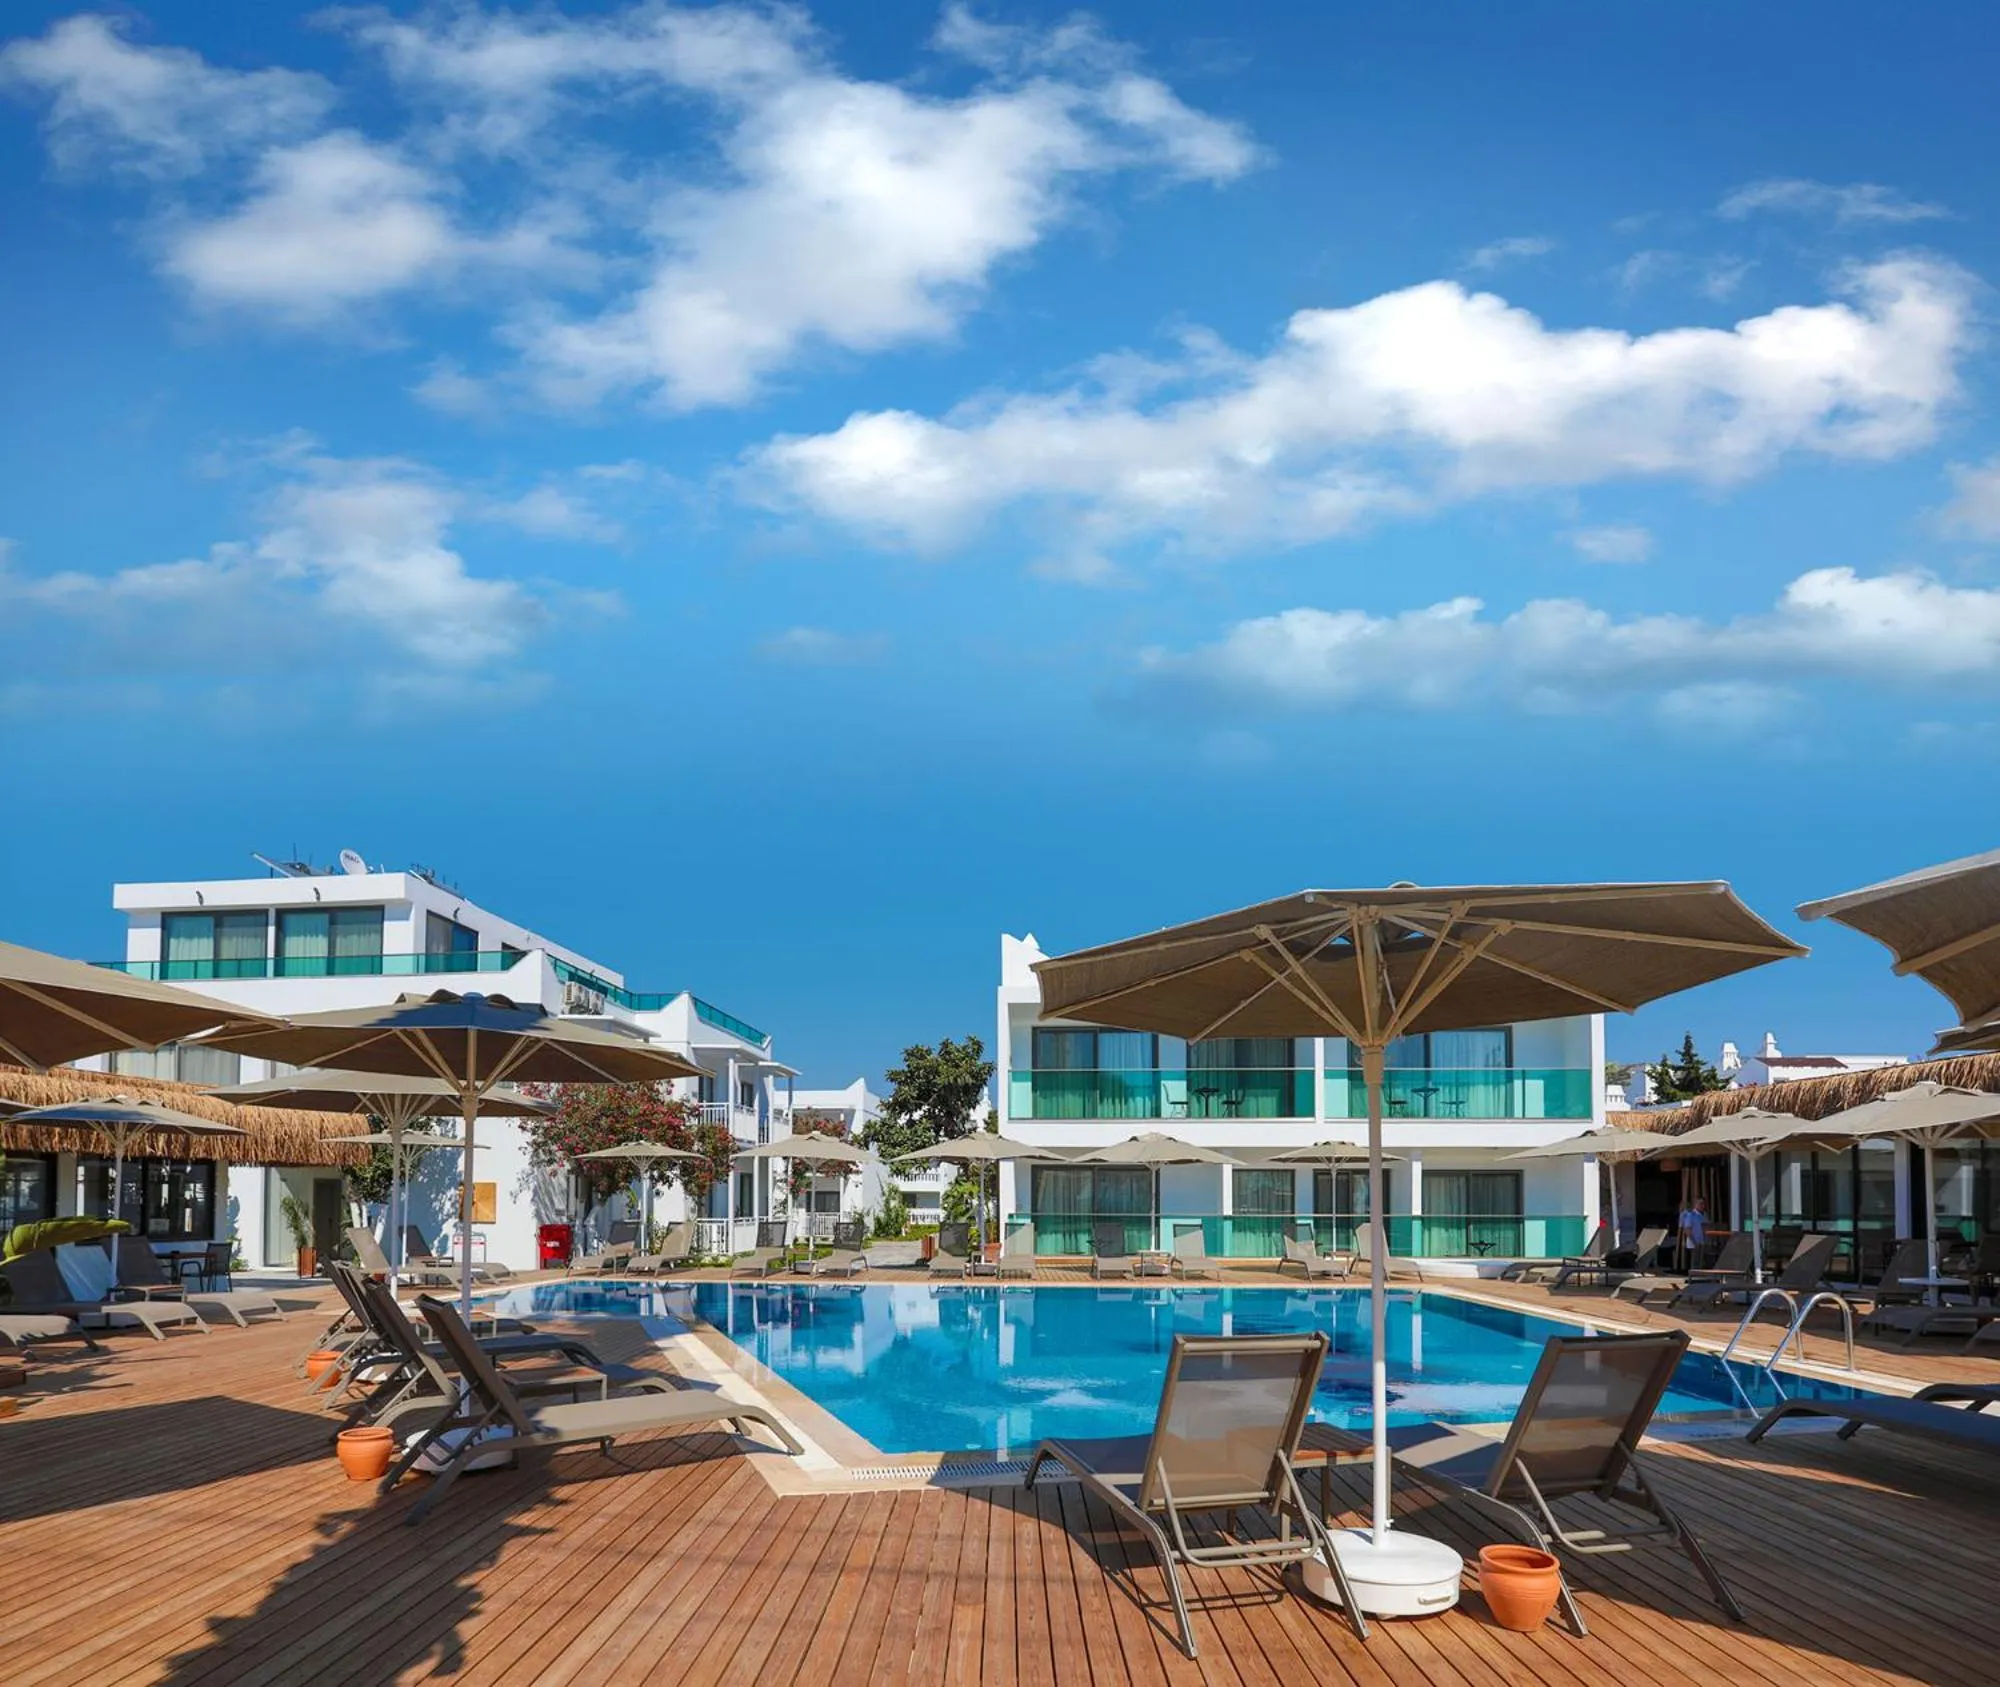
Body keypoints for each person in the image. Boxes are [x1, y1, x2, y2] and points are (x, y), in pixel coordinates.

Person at [1677, 1194, 1708, 1269]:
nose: (1702, 1206)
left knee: (1700, 1261)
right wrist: (1694, 1242)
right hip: (1694, 1242)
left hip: (1701, 1242)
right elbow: (1687, 1229)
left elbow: (1704, 1228)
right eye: (1700, 1203)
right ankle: (1694, 1277)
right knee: (1695, 1261)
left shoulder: (1703, 1215)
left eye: (1703, 1204)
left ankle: (1698, 1276)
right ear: (1696, 1204)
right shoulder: (1690, 1215)